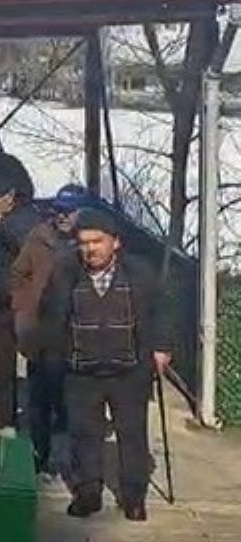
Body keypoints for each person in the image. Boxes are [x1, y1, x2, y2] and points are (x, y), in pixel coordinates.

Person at [37, 209, 171, 522]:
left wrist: (162, 348)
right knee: (84, 435)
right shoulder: (64, 272)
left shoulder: (140, 272)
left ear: (116, 242)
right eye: (83, 243)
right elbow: (51, 315)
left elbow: (161, 311)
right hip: (81, 371)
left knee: (132, 435)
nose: (90, 249)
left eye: (97, 241)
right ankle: (88, 494)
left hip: (129, 369)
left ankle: (134, 497)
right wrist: (52, 354)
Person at [12, 184, 95, 474]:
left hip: (80, 334)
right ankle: (39, 456)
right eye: (58, 210)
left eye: (68, 211)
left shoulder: (93, 243)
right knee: (39, 402)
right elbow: (18, 274)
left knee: (77, 403)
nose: (62, 216)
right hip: (42, 332)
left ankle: (78, 463)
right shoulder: (38, 237)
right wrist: (23, 309)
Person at [0, 178, 41, 432]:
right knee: (0, 363)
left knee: (38, 361)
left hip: (21, 301)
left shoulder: (28, 218)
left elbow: (30, 249)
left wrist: (1, 225)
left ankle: (43, 415)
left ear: (10, 196)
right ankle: (3, 414)